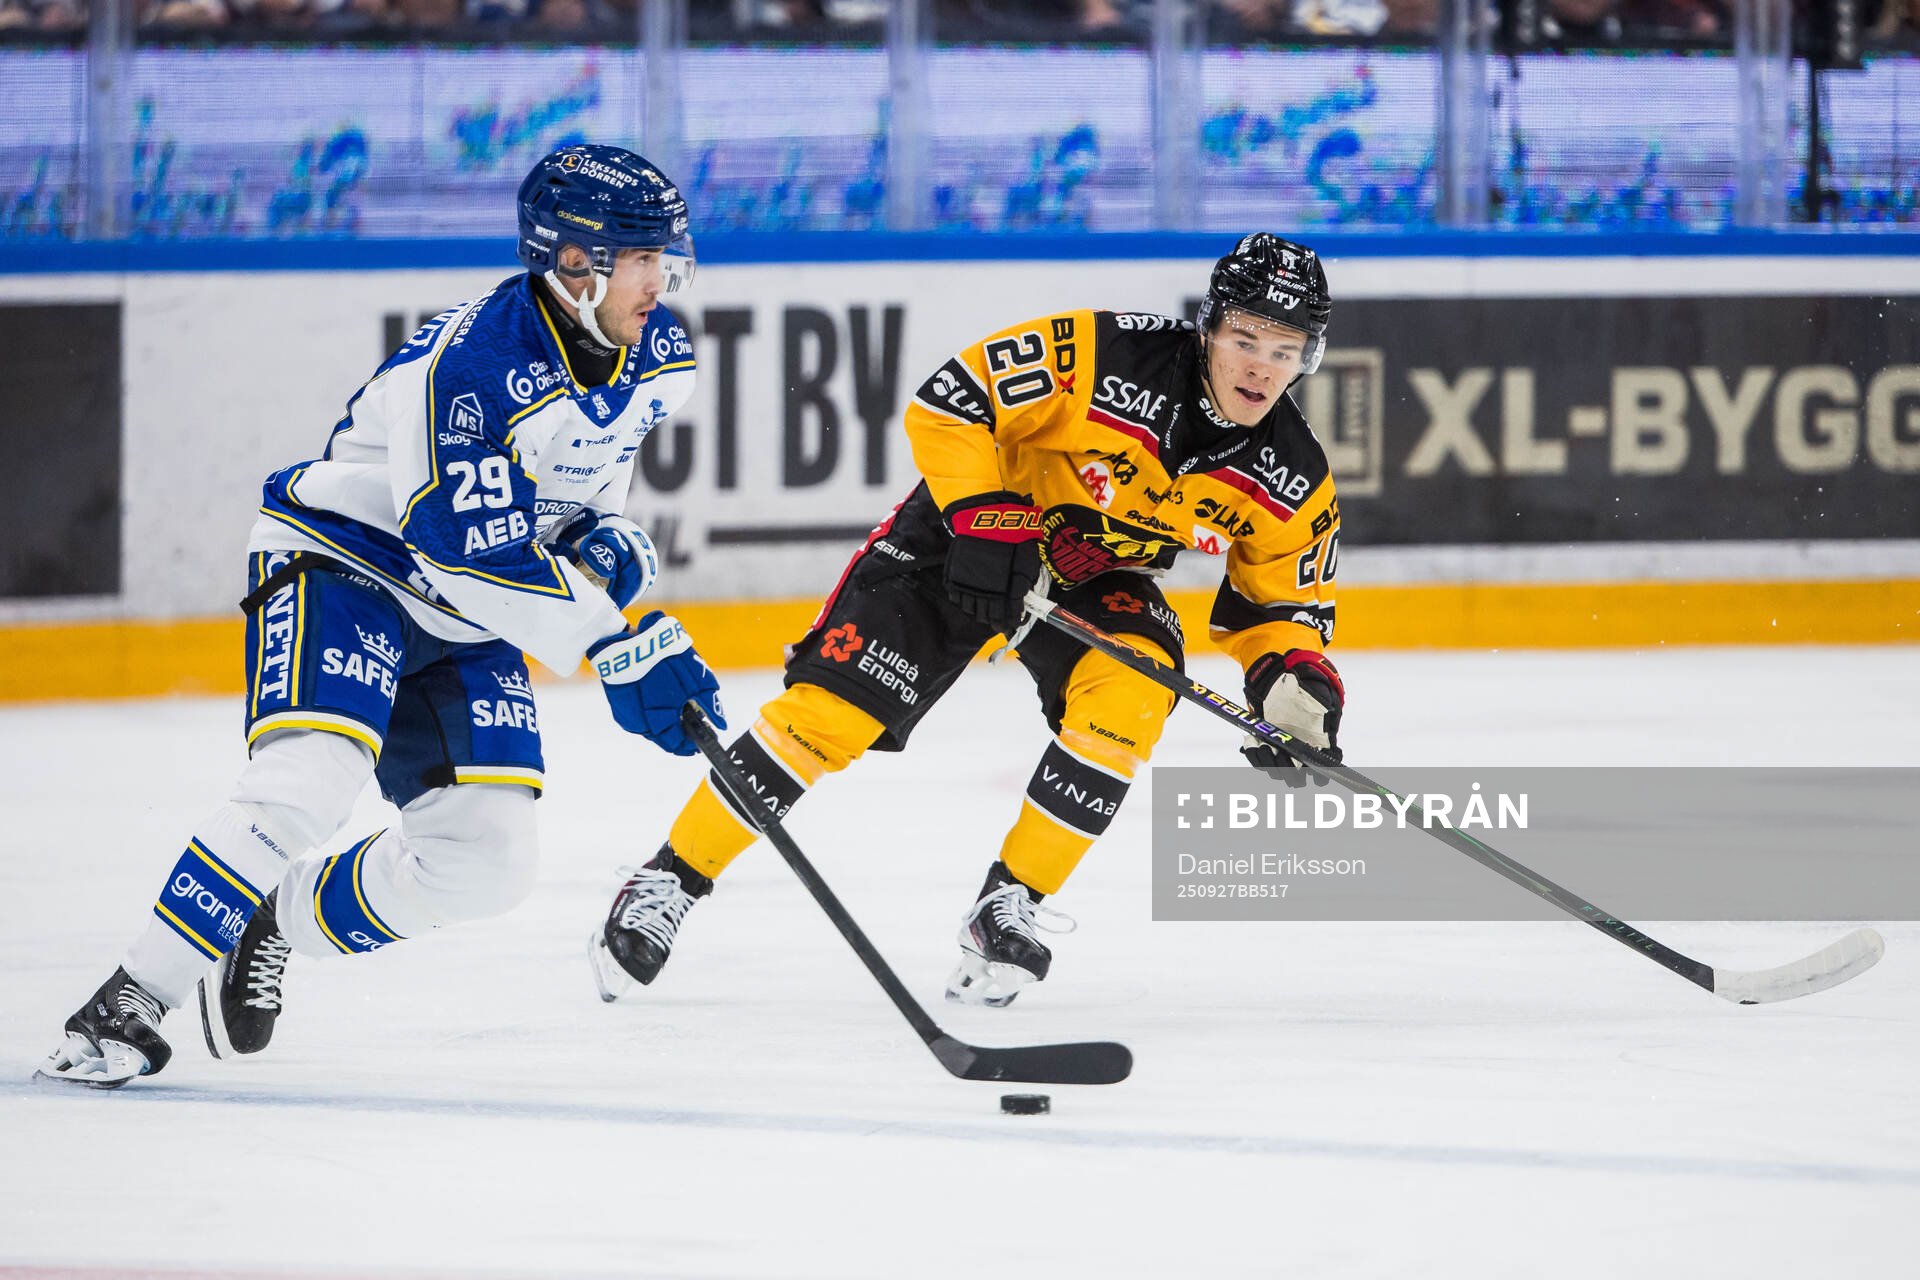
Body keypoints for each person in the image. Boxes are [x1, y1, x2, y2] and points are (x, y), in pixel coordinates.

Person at [36, 144, 725, 1088]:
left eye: (664, 257)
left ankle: (268, 918)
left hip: (461, 609)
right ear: (572, 263)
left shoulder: (659, 356)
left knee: (485, 862)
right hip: (347, 563)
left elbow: (570, 494)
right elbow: (462, 549)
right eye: (639, 258)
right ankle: (129, 999)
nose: (660, 279)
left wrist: (599, 537)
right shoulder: (474, 365)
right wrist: (610, 641)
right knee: (307, 782)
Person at [588, 232, 1344, 1008]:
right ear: (1210, 325)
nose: (1260, 365)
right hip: (960, 541)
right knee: (827, 718)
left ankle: (1009, 904)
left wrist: (1290, 678)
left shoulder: (1293, 472)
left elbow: (1278, 606)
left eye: (1285, 349)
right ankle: (668, 881)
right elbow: (953, 398)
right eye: (1245, 337)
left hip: (1093, 577)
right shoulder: (1104, 349)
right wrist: (987, 515)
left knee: (1134, 693)